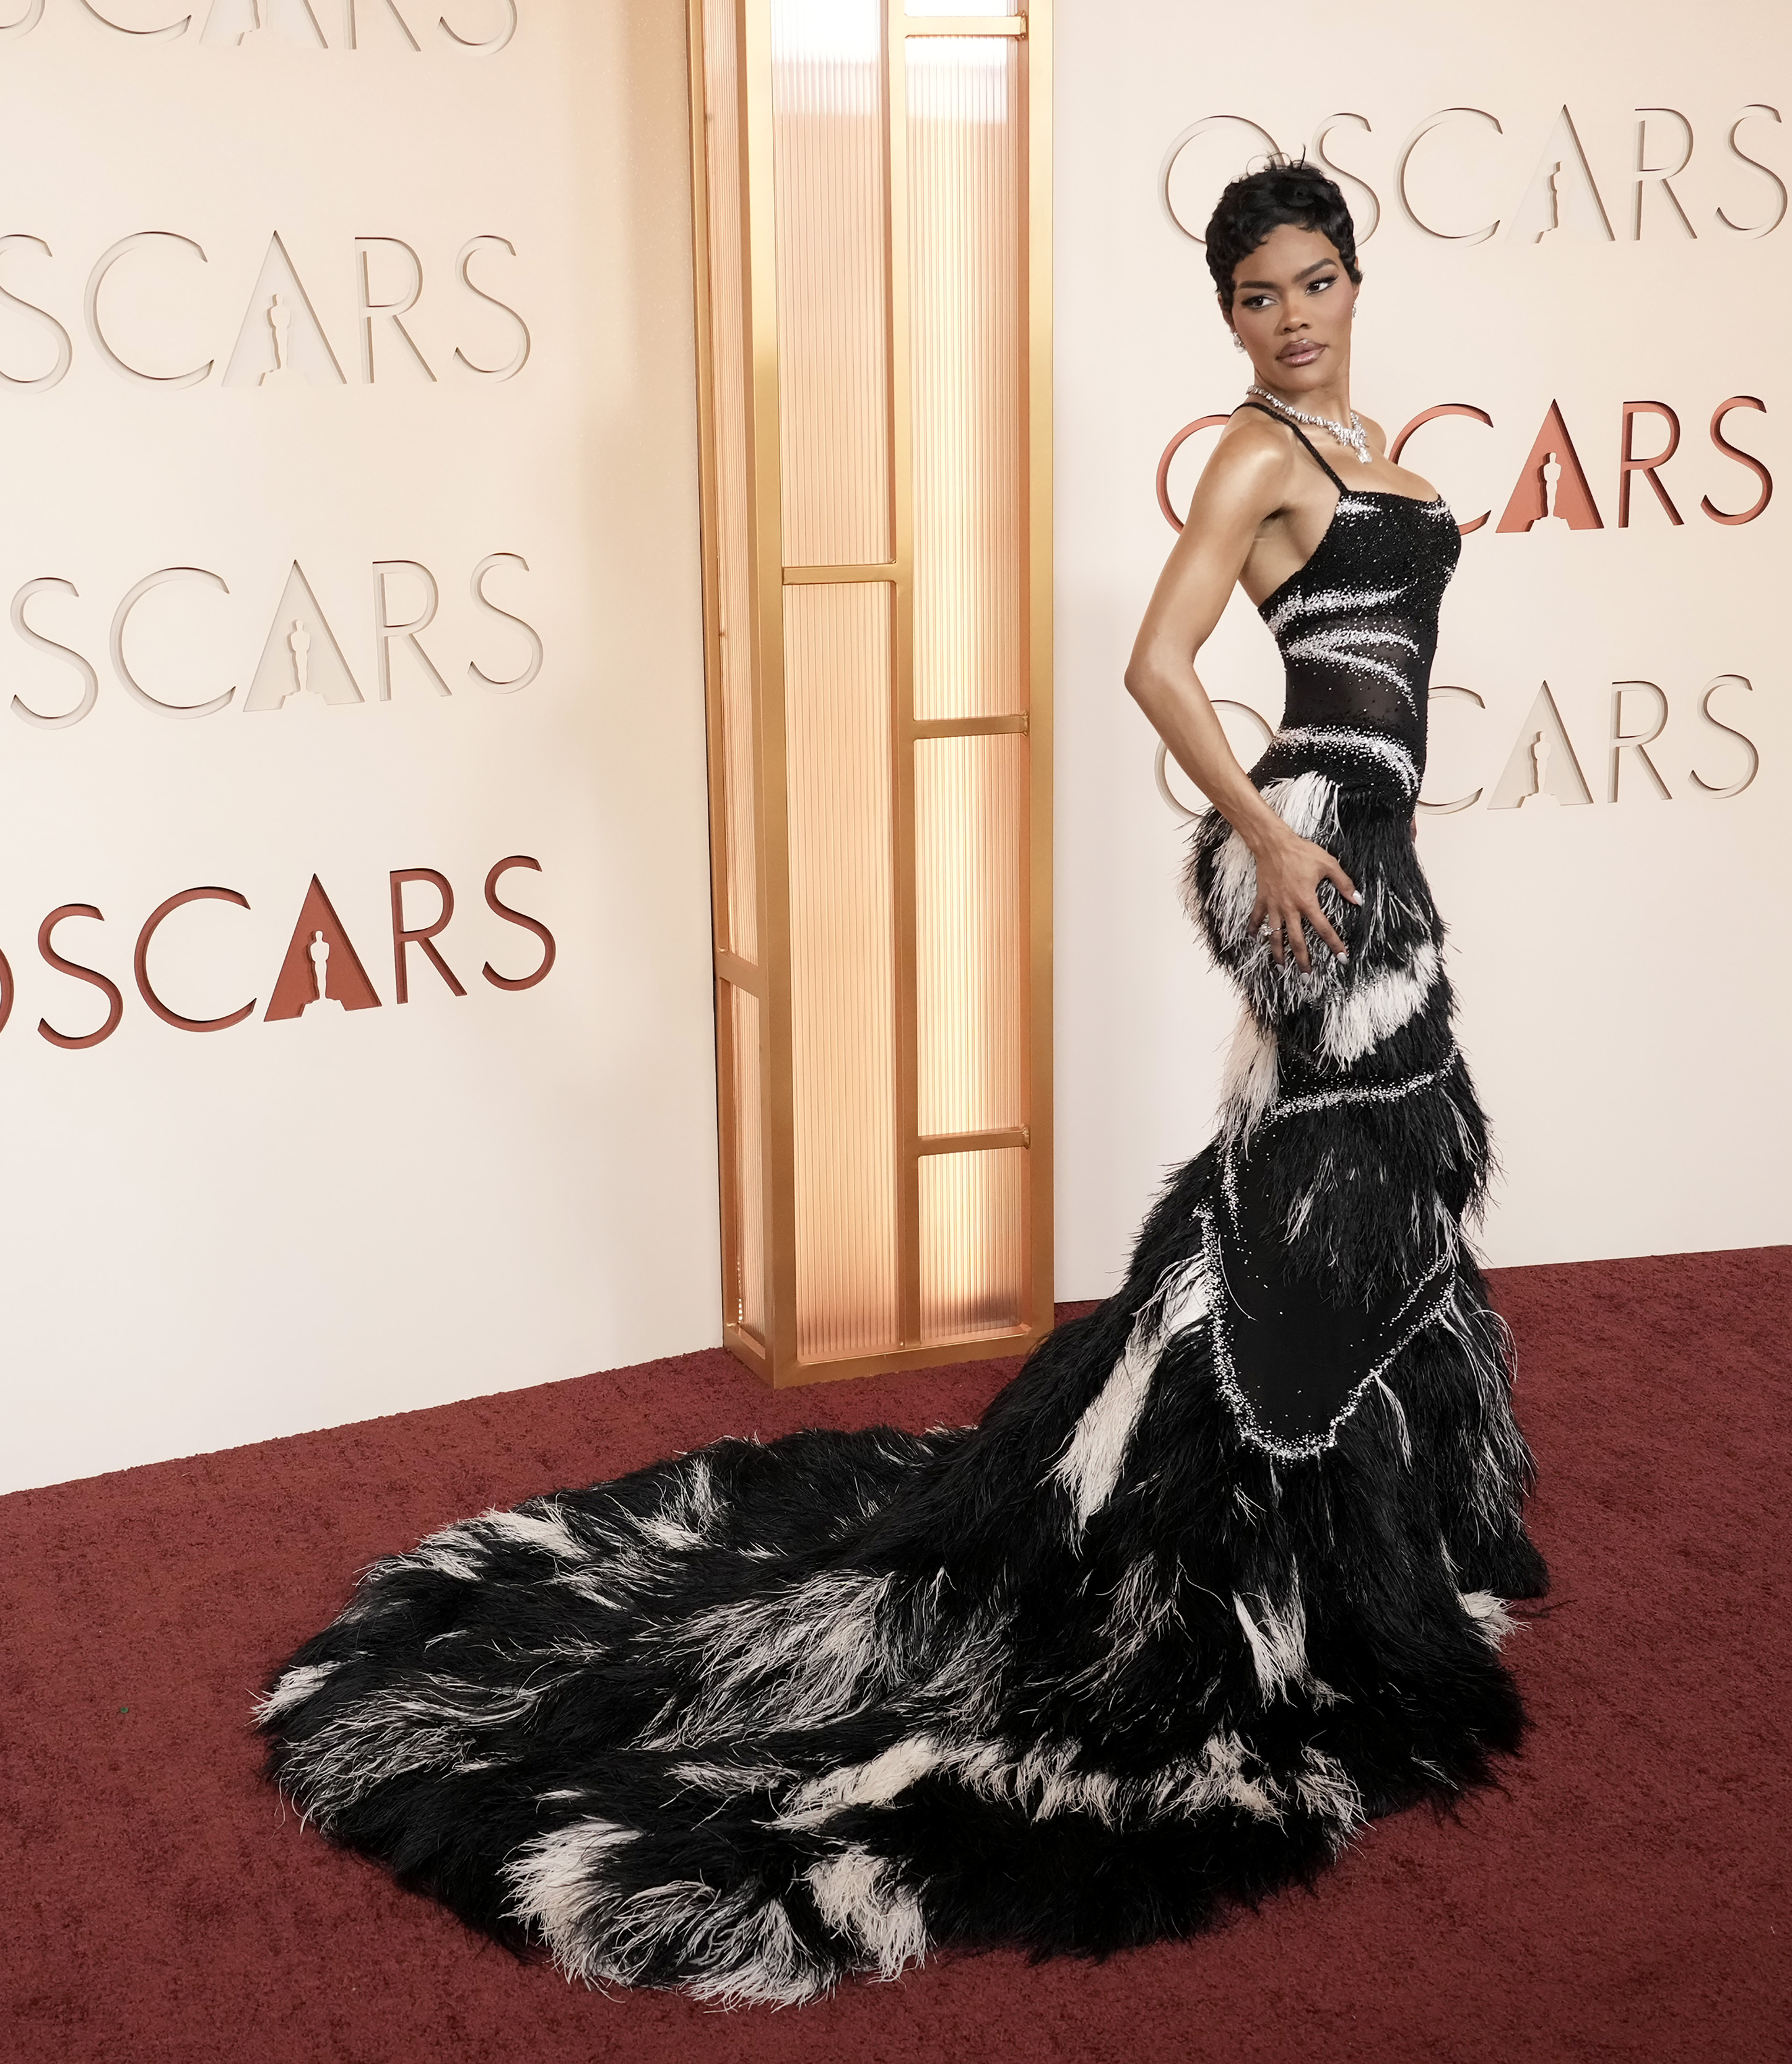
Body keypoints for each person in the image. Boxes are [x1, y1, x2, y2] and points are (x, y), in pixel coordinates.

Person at [256, 157, 1547, 2006]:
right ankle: (1193, 1546)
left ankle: (1347, 1533)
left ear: (1356, 277)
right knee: (1330, 1178)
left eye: (1316, 278)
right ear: (1230, 321)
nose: (1295, 314)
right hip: (1319, 846)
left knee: (1370, 1178)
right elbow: (1157, 662)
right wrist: (1260, 830)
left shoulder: (1377, 441)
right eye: (1260, 295)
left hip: (1378, 846)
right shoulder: (1260, 460)